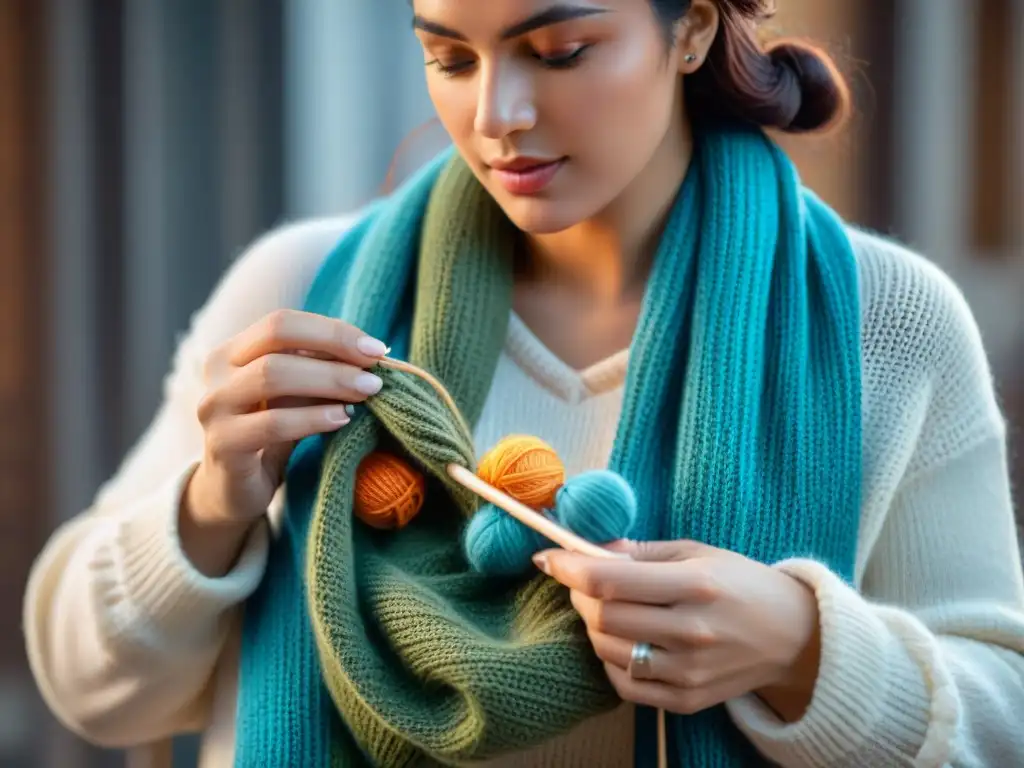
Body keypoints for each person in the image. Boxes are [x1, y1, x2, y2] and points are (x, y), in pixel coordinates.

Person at [23, 1, 1024, 766]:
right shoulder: (301, 295)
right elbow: (86, 687)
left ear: (692, 33)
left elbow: (1004, 716)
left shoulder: (883, 322)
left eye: (559, 52)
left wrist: (803, 647)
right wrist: (211, 503)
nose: (496, 115)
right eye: (449, 57)